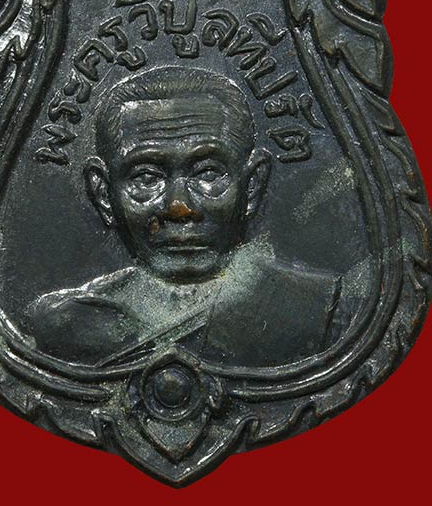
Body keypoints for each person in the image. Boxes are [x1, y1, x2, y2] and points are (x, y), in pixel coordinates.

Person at [30, 66, 357, 368]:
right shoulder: (67, 323)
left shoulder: (317, 310)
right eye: (147, 177)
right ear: (103, 193)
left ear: (252, 185)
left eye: (208, 173)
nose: (179, 208)